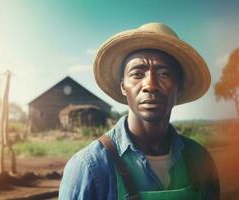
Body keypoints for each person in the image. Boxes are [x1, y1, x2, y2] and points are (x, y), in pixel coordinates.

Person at [58, 23, 220, 200]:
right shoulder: (90, 167)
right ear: (123, 86)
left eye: (164, 74)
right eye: (137, 74)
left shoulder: (200, 160)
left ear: (179, 86)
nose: (150, 85)